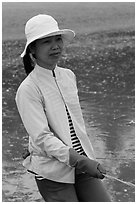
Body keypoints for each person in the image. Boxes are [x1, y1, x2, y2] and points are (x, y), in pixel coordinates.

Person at [15, 14, 111, 202]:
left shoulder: (68, 76)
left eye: (58, 39)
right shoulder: (27, 89)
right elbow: (42, 136)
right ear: (33, 48)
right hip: (53, 171)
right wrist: (79, 160)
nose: (55, 46)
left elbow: (70, 123)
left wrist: (84, 159)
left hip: (83, 164)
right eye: (46, 41)